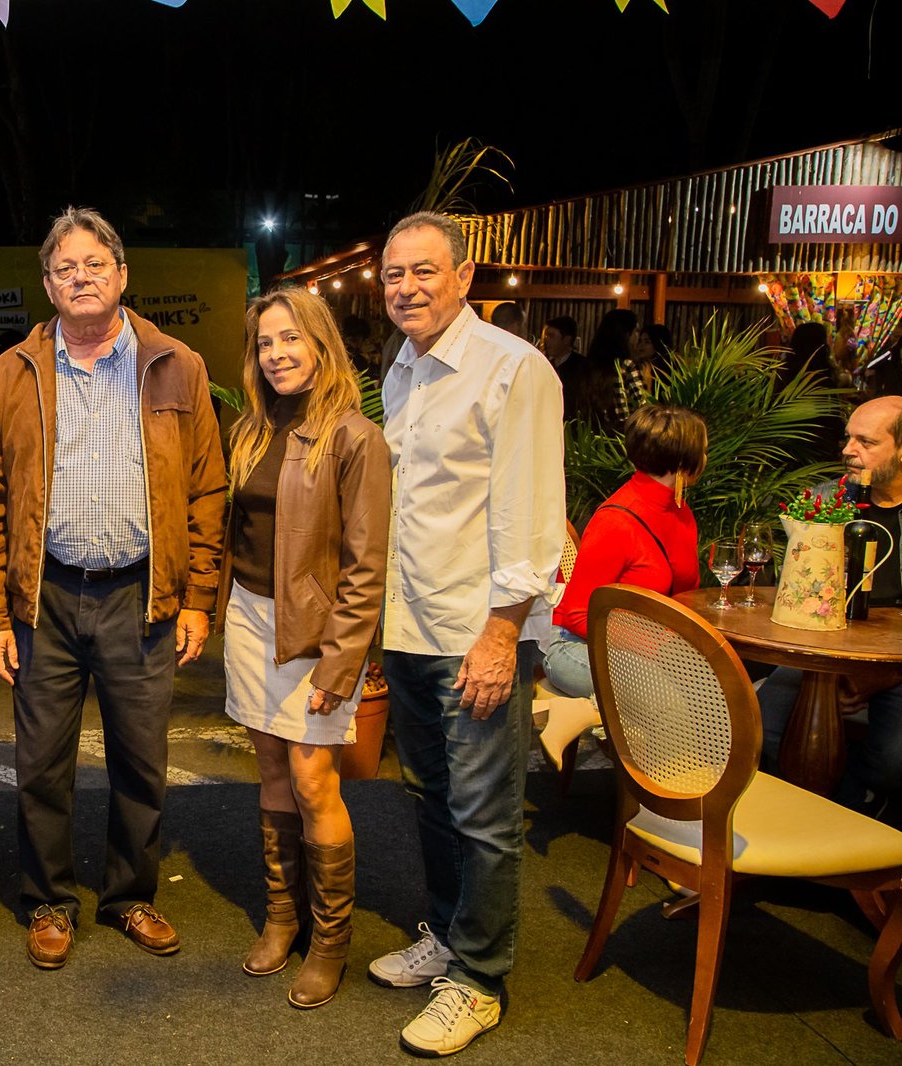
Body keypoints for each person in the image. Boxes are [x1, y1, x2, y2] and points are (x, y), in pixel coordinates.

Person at [0, 206, 226, 970]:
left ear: (122, 274)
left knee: (141, 761)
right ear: (48, 285)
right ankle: (49, 900)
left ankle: (129, 896)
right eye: (65, 269)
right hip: (43, 598)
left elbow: (207, 489)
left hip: (142, 597)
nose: (80, 278)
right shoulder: (12, 372)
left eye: (94, 265)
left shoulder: (176, 363)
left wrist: (198, 599)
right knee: (41, 763)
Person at [371, 212, 564, 1056]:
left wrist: (500, 635)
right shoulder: (403, 370)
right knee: (431, 798)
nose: (406, 287)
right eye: (393, 275)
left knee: (486, 815)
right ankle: (451, 937)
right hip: (410, 625)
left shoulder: (513, 369)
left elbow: (531, 512)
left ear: (464, 276)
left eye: (423, 271)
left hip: (474, 630)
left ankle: (481, 981)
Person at [220, 287, 390, 1008]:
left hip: (317, 633)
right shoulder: (249, 431)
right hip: (250, 618)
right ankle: (282, 917)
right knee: (271, 770)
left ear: (321, 345)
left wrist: (342, 661)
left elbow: (366, 565)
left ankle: (329, 941)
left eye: (290, 338)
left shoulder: (355, 437)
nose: (276, 354)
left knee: (314, 779)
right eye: (265, 342)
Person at [760, 395, 902, 819]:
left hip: (895, 660)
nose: (847, 450)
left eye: (866, 442)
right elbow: (794, 588)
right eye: (847, 438)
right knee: (764, 729)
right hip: (822, 648)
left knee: (892, 762)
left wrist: (882, 675)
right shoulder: (824, 500)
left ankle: (853, 807)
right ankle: (815, 817)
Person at [539, 405, 705, 755]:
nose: (706, 457)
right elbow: (579, 615)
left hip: (645, 645)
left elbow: (684, 594)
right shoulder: (616, 521)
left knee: (711, 693)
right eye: (703, 450)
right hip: (575, 645)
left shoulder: (680, 513)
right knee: (670, 706)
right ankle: (664, 790)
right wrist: (658, 649)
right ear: (684, 459)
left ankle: (592, 712)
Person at [585, 308, 643, 431]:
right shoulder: (627, 365)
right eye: (636, 331)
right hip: (621, 432)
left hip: (591, 430)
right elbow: (640, 404)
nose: (638, 337)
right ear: (626, 334)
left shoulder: (588, 365)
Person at [541, 315, 594, 426]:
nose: (546, 340)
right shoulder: (545, 365)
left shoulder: (582, 366)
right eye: (546, 336)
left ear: (566, 339)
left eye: (551, 336)